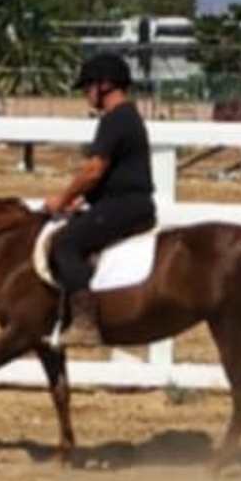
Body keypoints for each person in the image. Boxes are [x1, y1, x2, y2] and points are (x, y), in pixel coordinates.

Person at [38, 47, 158, 336]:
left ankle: (85, 323)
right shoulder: (125, 117)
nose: (86, 94)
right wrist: (79, 201)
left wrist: (62, 200)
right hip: (124, 203)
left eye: (87, 87)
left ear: (103, 85)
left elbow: (93, 170)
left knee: (65, 244)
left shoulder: (115, 119)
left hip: (125, 206)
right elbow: (110, 175)